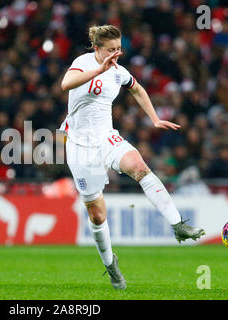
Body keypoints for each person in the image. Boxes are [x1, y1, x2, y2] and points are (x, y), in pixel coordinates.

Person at [60, 25, 205, 290]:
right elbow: (65, 84)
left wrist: (154, 118)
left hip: (107, 137)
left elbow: (137, 89)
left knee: (139, 166)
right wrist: (98, 70)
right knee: (96, 214)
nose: (116, 54)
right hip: (81, 145)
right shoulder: (82, 63)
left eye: (118, 49)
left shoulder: (119, 72)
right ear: (97, 49)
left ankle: (178, 224)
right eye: (110, 50)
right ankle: (110, 264)